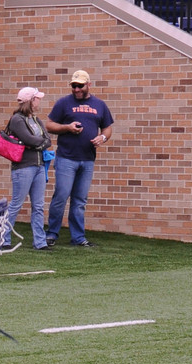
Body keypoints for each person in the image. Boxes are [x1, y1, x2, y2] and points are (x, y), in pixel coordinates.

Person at [44, 70, 114, 248]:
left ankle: (78, 237)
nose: (76, 89)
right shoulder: (63, 103)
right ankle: (52, 234)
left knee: (80, 200)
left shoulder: (99, 104)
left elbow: (107, 128)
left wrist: (102, 138)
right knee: (61, 195)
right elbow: (49, 125)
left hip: (88, 159)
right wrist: (67, 127)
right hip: (66, 158)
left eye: (80, 86)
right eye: (74, 86)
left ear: (88, 85)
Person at [2, 87, 52, 250]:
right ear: (30, 101)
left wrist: (36, 143)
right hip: (23, 167)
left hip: (39, 166)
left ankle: (40, 242)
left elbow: (47, 140)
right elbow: (28, 139)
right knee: (16, 203)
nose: (39, 101)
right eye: (37, 98)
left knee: (38, 205)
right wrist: (38, 143)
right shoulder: (17, 119)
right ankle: (3, 239)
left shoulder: (36, 120)